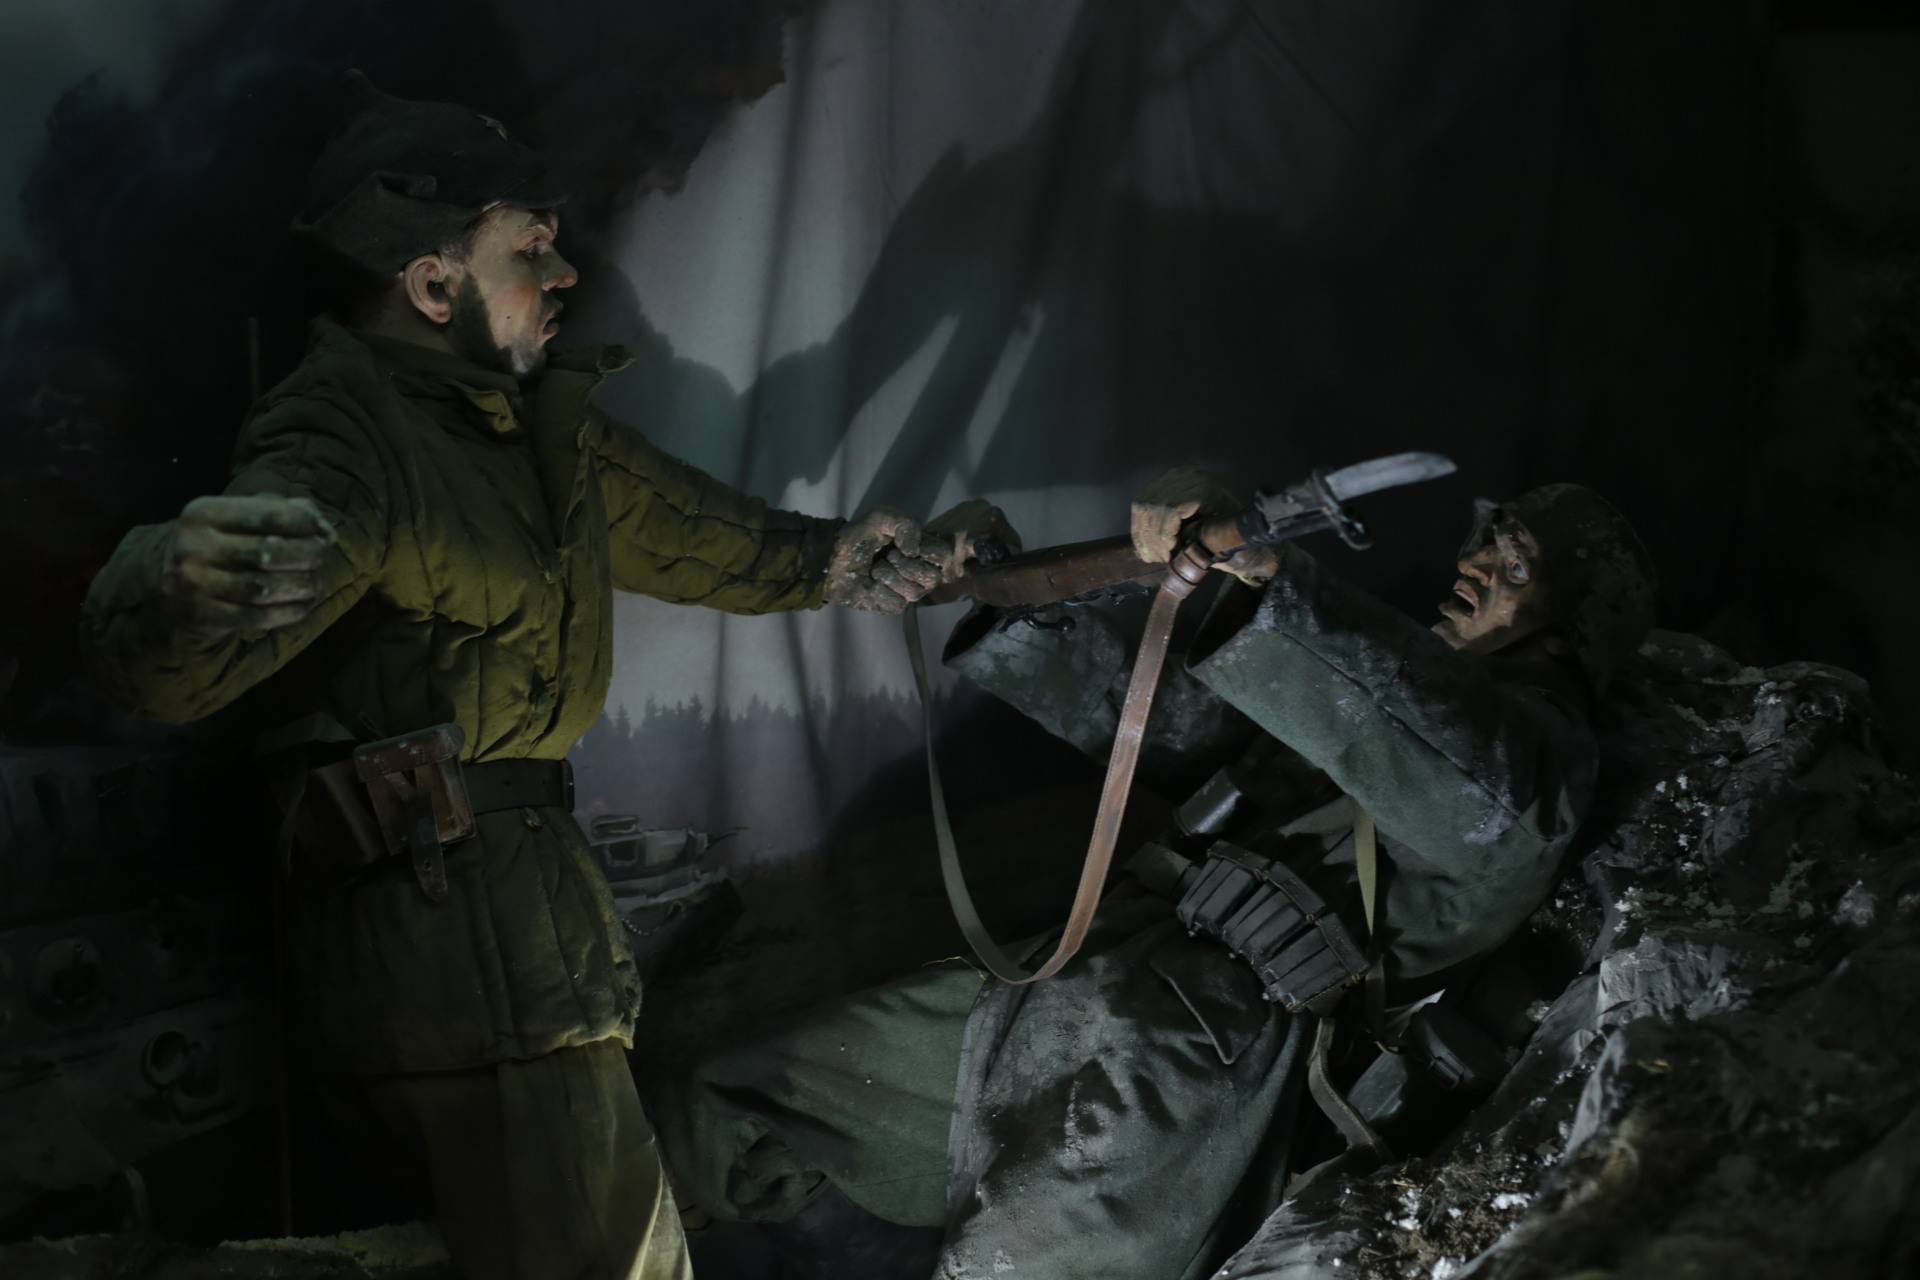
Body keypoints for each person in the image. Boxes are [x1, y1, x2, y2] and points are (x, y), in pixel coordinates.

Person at [77, 72, 1007, 1280]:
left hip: (508, 955)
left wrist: (840, 563)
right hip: (471, 971)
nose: (565, 273)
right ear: (432, 283)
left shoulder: (526, 429)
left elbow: (701, 535)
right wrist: (176, 580)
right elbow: (164, 666)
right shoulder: (349, 433)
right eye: (530, 246)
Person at [654, 468, 1656, 1280]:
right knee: (741, 1110)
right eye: (1486, 541)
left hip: (1191, 1067)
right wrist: (1012, 596)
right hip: (1088, 980)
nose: (1473, 562)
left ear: (1571, 627)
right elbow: (1180, 732)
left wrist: (1267, 570)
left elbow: (1456, 772)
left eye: (1514, 563)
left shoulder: (1536, 763)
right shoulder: (1395, 706)